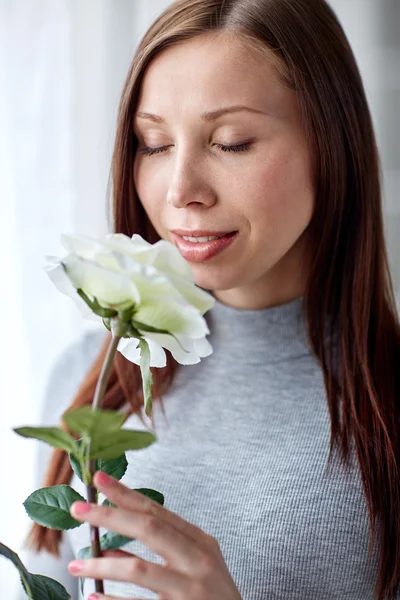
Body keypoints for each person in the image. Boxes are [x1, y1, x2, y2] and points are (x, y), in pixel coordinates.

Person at [21, 0, 400, 599]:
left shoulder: (385, 411)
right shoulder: (89, 383)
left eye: (231, 142)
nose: (181, 192)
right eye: (153, 144)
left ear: (333, 145)